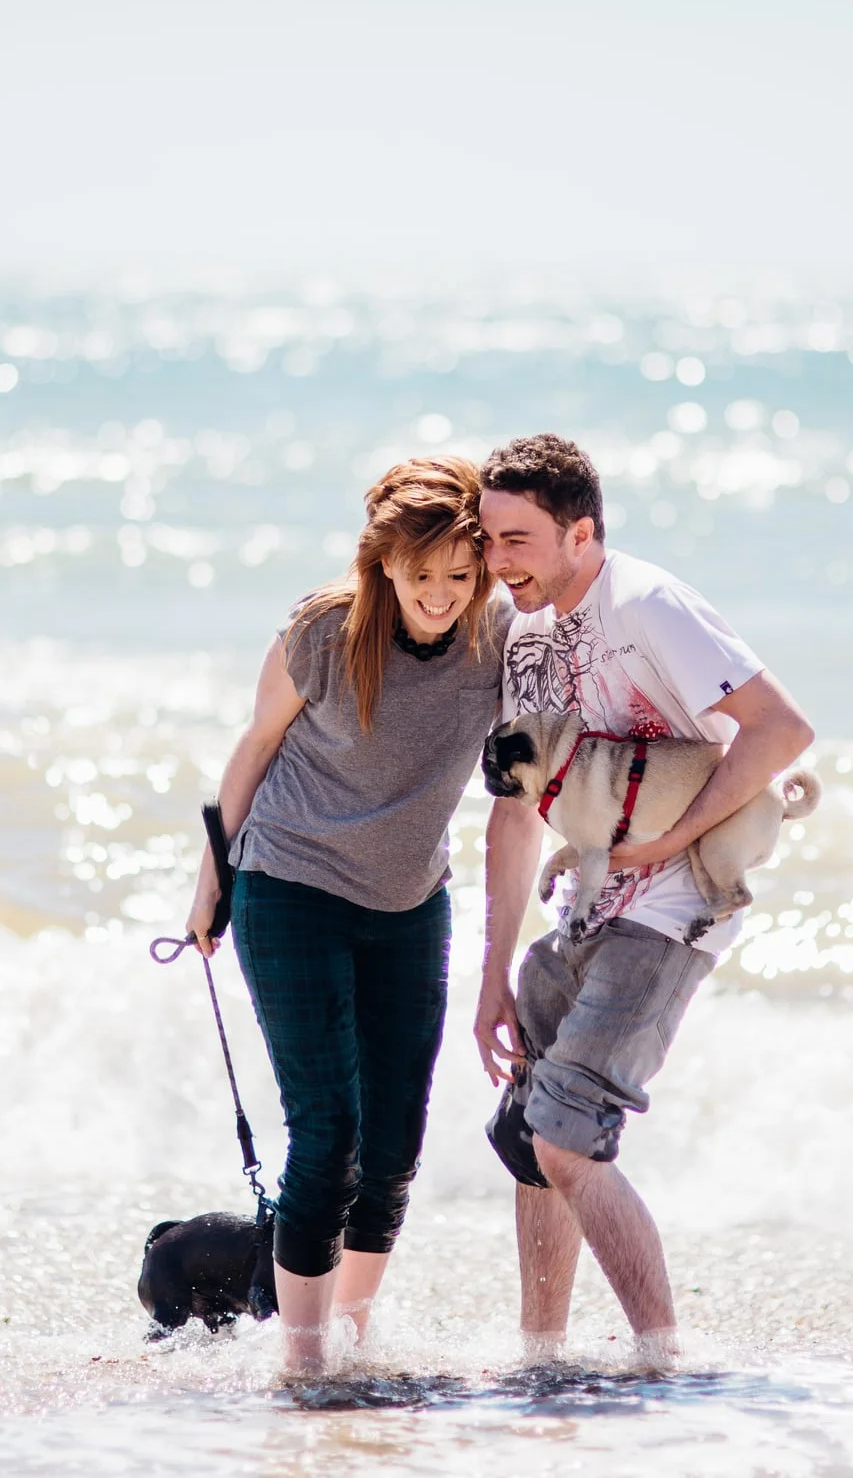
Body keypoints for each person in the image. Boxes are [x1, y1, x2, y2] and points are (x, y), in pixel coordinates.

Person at [472, 432, 814, 1367]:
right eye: (490, 540)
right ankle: (541, 1358)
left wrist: (668, 840)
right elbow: (513, 817)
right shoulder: (523, 635)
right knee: (531, 1137)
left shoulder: (650, 602)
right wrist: (493, 975)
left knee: (568, 1141)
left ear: (581, 533)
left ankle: (663, 1364)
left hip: (675, 907)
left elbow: (782, 729)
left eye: (519, 540)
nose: (500, 563)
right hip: (583, 904)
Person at [184, 454, 512, 1376]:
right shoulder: (326, 633)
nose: (442, 596)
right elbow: (254, 747)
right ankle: (301, 1362)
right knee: (327, 1131)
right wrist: (210, 883)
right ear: (384, 567)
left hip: (410, 900)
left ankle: (354, 1343)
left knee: (396, 1139)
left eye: (461, 574)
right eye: (422, 577)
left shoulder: (499, 640)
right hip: (291, 887)